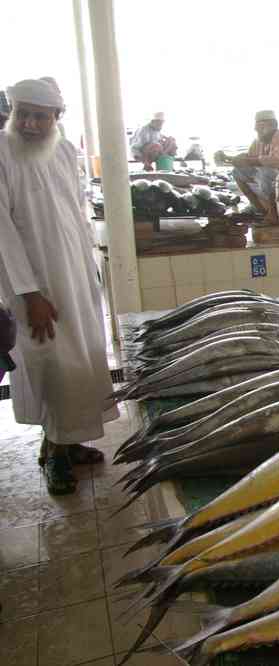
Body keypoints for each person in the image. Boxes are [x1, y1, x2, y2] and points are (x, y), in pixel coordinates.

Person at [0, 79, 120, 494]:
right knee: (50, 364)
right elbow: (3, 232)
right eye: (23, 113)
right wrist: (30, 294)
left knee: (82, 360)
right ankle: (53, 453)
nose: (30, 124)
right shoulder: (1, 151)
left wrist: (89, 272)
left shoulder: (65, 151)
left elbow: (74, 214)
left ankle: (71, 441)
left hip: (75, 276)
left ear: (57, 117)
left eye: (40, 115)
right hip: (34, 286)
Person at [218, 110, 279, 226]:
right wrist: (227, 158)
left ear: (274, 125)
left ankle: (273, 215)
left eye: (262, 127)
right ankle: (261, 211)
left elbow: (275, 161)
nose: (258, 131)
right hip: (276, 184)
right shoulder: (258, 140)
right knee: (238, 172)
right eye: (257, 128)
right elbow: (248, 159)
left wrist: (247, 160)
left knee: (266, 171)